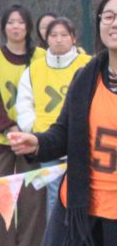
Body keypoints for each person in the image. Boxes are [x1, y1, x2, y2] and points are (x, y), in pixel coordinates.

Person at [12, 0, 117, 246]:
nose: (114, 22)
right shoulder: (86, 77)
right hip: (82, 210)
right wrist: (37, 143)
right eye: (108, 16)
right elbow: (62, 134)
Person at [0, 4, 45, 246]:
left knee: (34, 190)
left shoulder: (41, 57)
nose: (16, 27)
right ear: (4, 27)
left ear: (28, 27)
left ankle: (31, 245)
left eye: (21, 22)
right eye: (11, 22)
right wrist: (9, 128)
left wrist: (29, 130)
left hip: (33, 135)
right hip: (1, 136)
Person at [15, 16, 90, 213]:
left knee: (83, 191)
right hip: (47, 141)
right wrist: (33, 129)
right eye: (54, 35)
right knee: (54, 194)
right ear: (46, 38)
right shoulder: (34, 69)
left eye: (64, 35)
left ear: (73, 38)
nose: (59, 39)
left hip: (81, 140)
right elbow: (24, 103)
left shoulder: (88, 64)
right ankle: (54, 233)